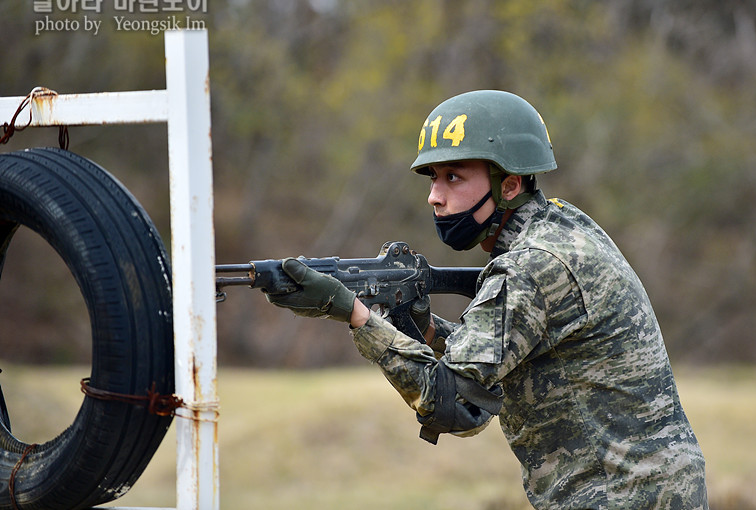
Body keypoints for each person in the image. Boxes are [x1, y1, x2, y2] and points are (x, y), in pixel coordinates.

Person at [268, 90, 709, 509]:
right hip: (648, 489)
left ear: (510, 184)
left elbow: (456, 404)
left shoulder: (529, 268)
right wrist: (422, 326)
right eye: (433, 178)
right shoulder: (565, 227)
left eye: (453, 177)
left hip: (619, 495)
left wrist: (354, 314)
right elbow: (495, 362)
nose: (434, 196)